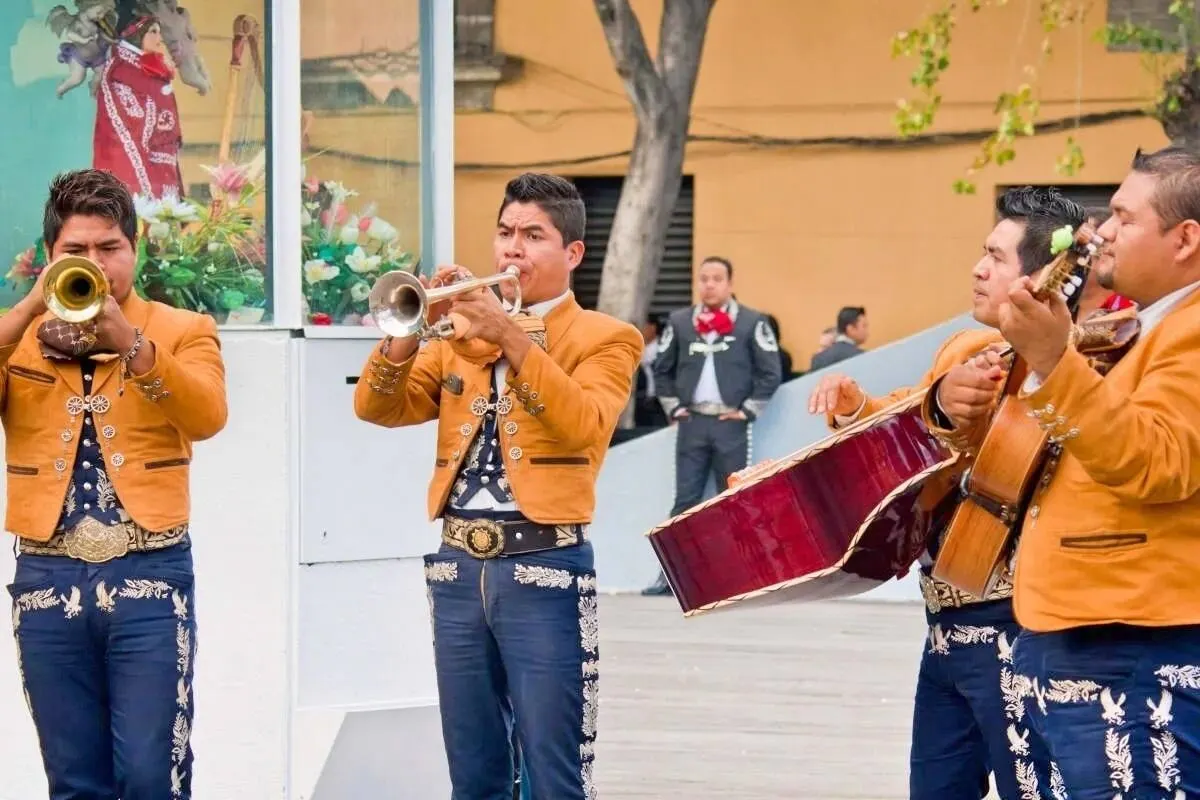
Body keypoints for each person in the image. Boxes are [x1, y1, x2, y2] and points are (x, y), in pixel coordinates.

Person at [353, 172, 642, 800]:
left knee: (555, 768)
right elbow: (378, 408)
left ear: (572, 254)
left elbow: (583, 427)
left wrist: (509, 334)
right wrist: (411, 330)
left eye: (533, 236)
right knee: (474, 765)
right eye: (505, 232)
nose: (512, 249)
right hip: (457, 566)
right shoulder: (455, 337)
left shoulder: (606, 338)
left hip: (545, 564)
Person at [933, 145, 1200, 798]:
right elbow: (1044, 441)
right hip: (1072, 634)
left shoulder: (1190, 331)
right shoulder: (1132, 326)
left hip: (1132, 645)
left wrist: (1054, 361)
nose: (1101, 231)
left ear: (1185, 239)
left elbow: (1157, 460)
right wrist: (950, 403)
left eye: (1122, 217)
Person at [808, 185, 1088, 799]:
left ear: (1042, 277)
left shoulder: (1080, 364)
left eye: (996, 256)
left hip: (1021, 629)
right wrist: (859, 408)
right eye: (981, 251)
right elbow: (908, 422)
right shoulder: (965, 347)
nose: (978, 268)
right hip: (943, 622)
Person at [3, 168, 228, 799]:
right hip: (47, 576)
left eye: (110, 248)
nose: (95, 262)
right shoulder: (15, 337)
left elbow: (207, 416)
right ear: (49, 257)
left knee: (152, 774)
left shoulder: (183, 329)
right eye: (76, 251)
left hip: (150, 570)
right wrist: (26, 308)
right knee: (73, 781)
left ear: (135, 249)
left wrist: (132, 343)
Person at [640, 256, 782, 596]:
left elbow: (771, 371)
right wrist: (674, 409)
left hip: (730, 424)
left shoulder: (751, 322)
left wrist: (747, 411)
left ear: (730, 284)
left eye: (717, 278)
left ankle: (743, 574)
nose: (709, 285)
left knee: (735, 497)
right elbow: (661, 369)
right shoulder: (678, 321)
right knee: (685, 500)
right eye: (703, 278)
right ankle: (671, 576)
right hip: (692, 423)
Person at [809, 305, 868, 370]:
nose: (867, 332)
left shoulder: (818, 359)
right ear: (851, 329)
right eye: (864, 326)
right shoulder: (862, 357)